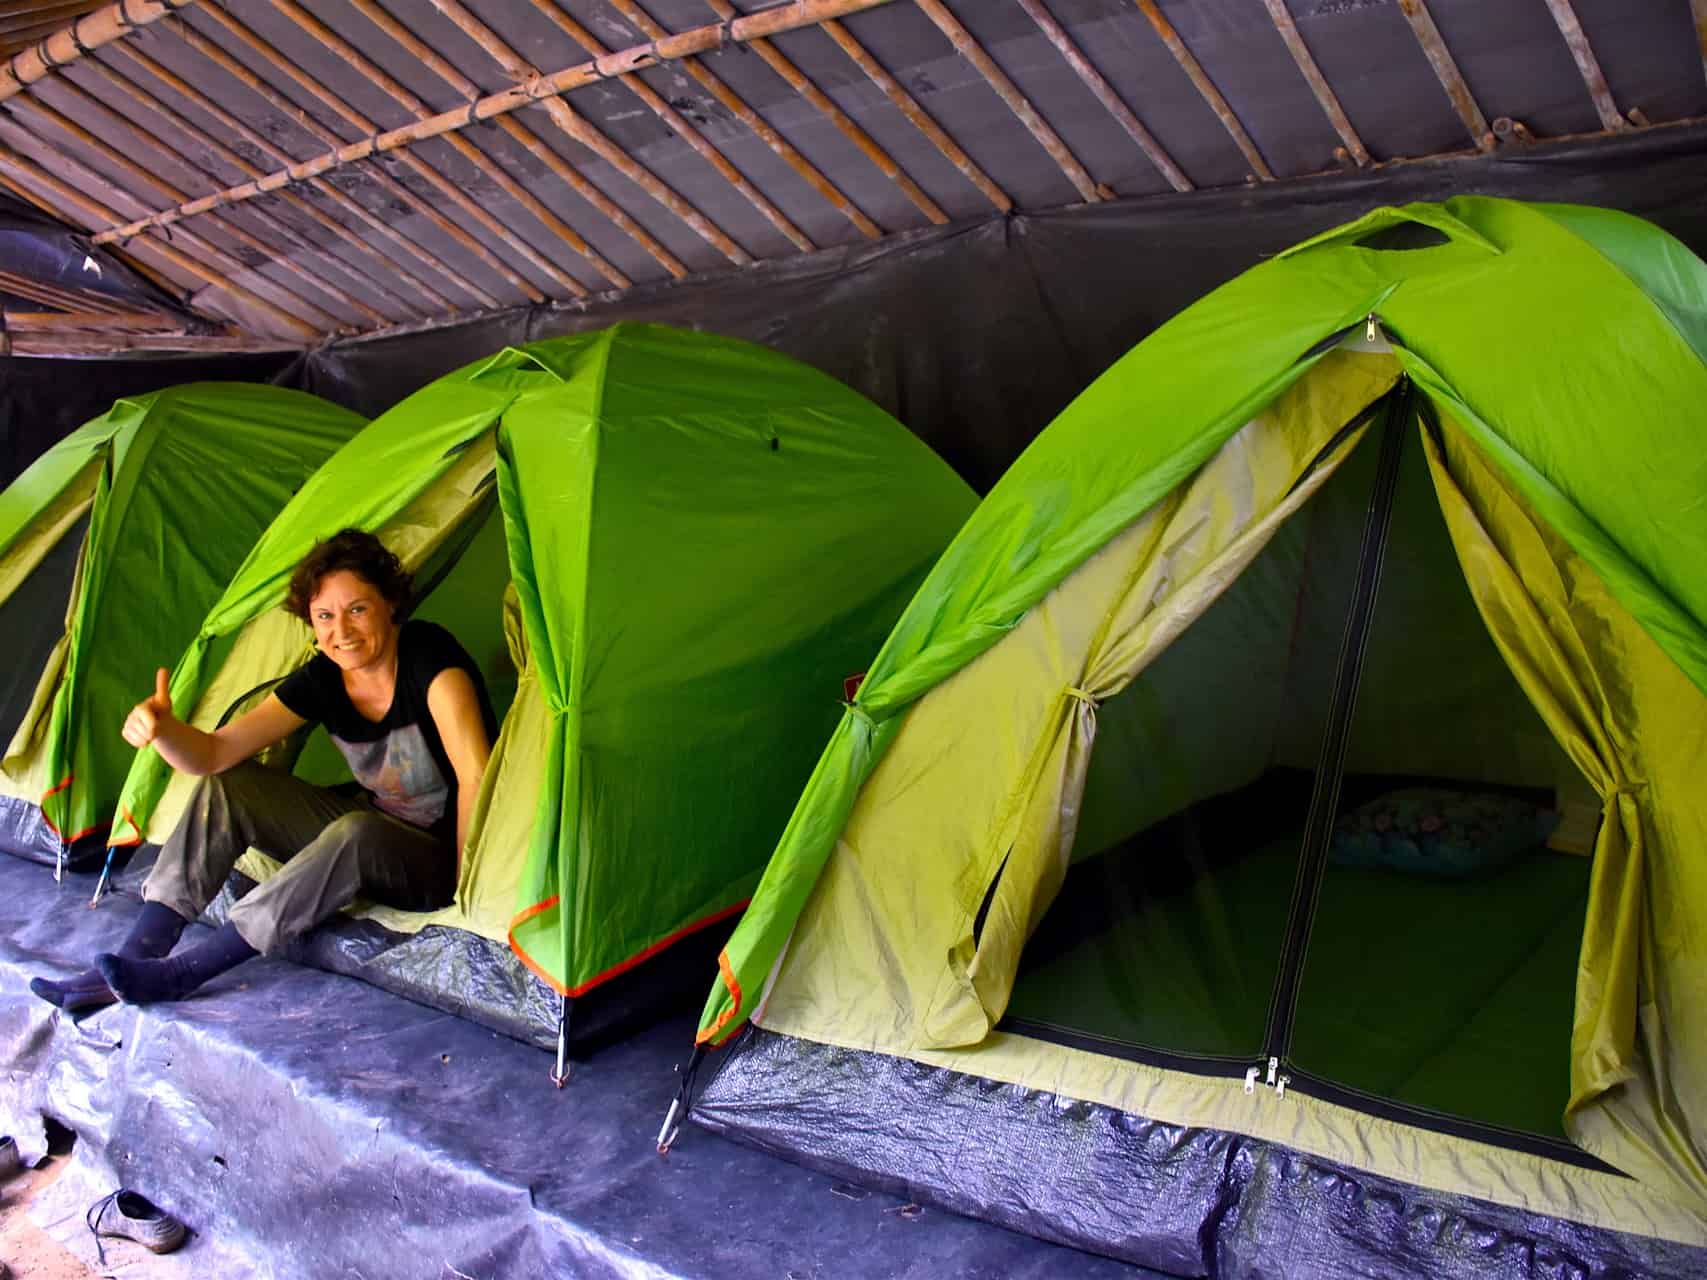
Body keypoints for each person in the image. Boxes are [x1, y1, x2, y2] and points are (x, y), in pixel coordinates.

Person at [30, 529, 495, 1011]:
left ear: (390, 603)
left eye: (357, 609)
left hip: (443, 857)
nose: (341, 630)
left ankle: (184, 973)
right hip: (377, 835)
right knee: (232, 786)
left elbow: (475, 777)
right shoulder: (324, 679)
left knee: (357, 830)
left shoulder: (428, 659)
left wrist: (463, 891)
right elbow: (214, 755)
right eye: (324, 616)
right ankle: (132, 961)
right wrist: (163, 732)